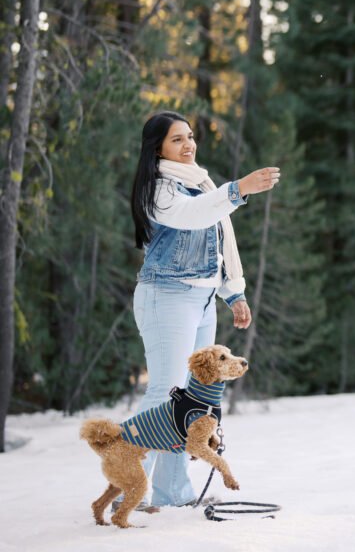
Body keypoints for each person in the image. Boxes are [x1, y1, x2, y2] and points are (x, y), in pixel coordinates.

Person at [127, 111, 280, 508]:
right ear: (157, 147)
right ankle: (128, 485)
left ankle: (172, 493)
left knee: (189, 400)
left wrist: (234, 293)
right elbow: (194, 217)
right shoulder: (161, 189)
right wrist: (238, 190)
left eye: (190, 137)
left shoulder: (200, 183)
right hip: (166, 296)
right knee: (164, 392)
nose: (188, 144)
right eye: (177, 139)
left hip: (201, 299)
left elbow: (216, 236)